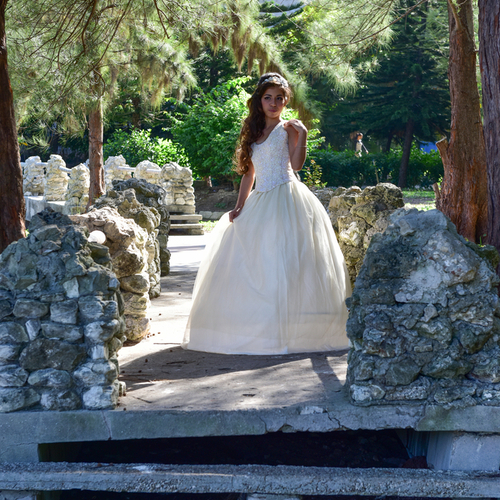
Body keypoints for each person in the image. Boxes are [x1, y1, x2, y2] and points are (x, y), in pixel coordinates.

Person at [182, 73, 351, 355]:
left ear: (286, 101)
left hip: (287, 197)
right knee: (258, 263)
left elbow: (296, 166)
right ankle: (260, 330)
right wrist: (239, 205)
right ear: (259, 101)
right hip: (261, 199)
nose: (273, 103)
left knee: (287, 263)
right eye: (268, 97)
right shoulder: (253, 132)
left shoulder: (289, 129)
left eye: (279, 98)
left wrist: (303, 135)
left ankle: (293, 331)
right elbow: (249, 174)